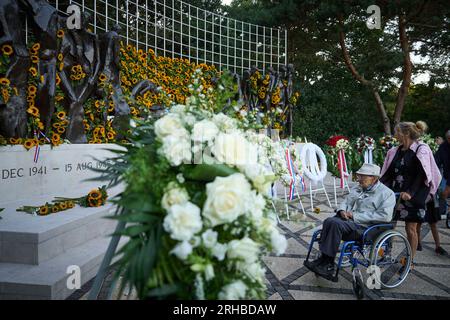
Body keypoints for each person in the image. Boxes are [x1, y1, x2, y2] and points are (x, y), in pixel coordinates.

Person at [304, 163, 396, 281]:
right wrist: (342, 210)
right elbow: (346, 202)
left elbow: (385, 216)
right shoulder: (358, 188)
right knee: (329, 221)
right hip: (350, 223)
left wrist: (354, 215)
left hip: (366, 228)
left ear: (374, 178)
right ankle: (324, 260)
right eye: (359, 176)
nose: (359, 179)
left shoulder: (386, 194)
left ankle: (328, 263)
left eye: (363, 176)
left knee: (334, 224)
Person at [380, 121, 442, 264]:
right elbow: (389, 172)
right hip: (395, 193)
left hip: (415, 194)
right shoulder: (396, 150)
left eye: (397, 132)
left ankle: (410, 260)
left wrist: (410, 192)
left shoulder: (421, 149)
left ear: (406, 133)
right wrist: (377, 185)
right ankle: (386, 253)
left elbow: (422, 174)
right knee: (388, 224)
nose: (395, 135)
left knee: (411, 228)